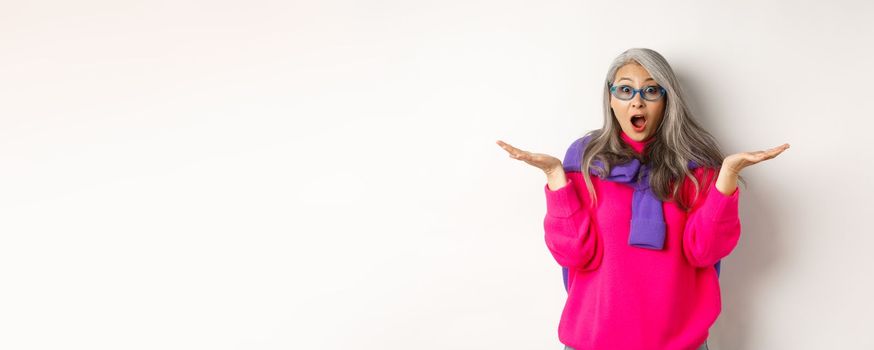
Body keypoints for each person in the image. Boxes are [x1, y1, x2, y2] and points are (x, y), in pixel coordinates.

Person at [496, 48, 789, 350]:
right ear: (610, 99)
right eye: (625, 90)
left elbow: (705, 252)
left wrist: (726, 176)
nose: (637, 100)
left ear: (666, 99)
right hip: (594, 341)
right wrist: (556, 176)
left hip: (678, 343)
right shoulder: (585, 159)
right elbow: (573, 254)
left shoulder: (694, 164)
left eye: (650, 90)